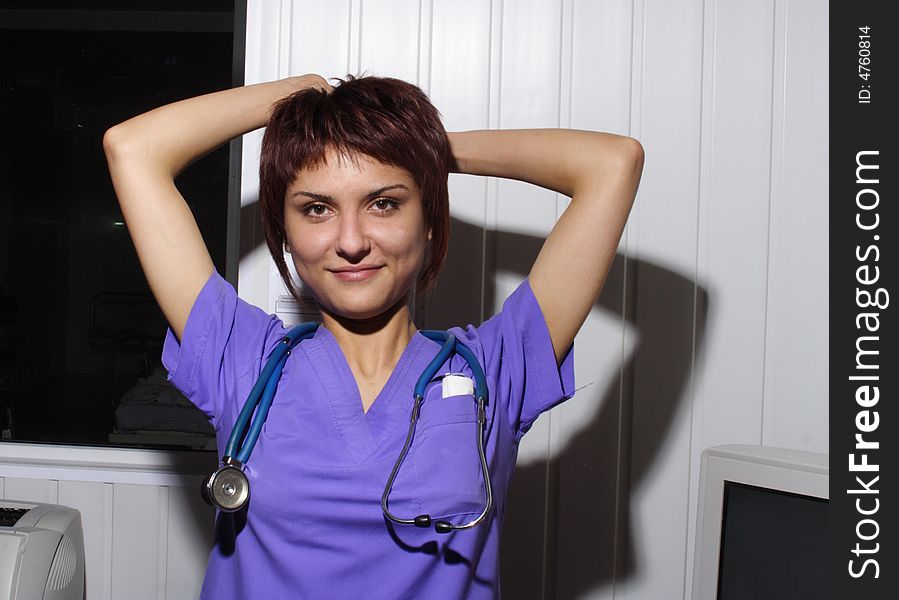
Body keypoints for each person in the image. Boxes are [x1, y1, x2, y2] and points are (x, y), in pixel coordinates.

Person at [103, 73, 644, 599]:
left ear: (429, 218)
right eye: (317, 208)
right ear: (285, 231)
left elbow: (611, 164)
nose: (351, 241)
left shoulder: (495, 369)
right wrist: (298, 92)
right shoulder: (241, 359)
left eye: (384, 202)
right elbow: (134, 149)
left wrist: (424, 152)